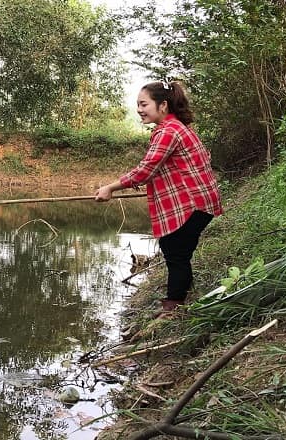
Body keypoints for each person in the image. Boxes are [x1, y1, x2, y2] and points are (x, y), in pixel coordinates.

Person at [95, 80, 222, 315]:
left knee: (175, 252)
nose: (139, 110)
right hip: (200, 201)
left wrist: (111, 188)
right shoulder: (175, 128)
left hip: (192, 203)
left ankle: (173, 307)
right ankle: (180, 297)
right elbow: (161, 169)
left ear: (162, 105)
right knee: (178, 253)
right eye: (137, 105)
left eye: (144, 104)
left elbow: (146, 169)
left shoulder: (168, 131)